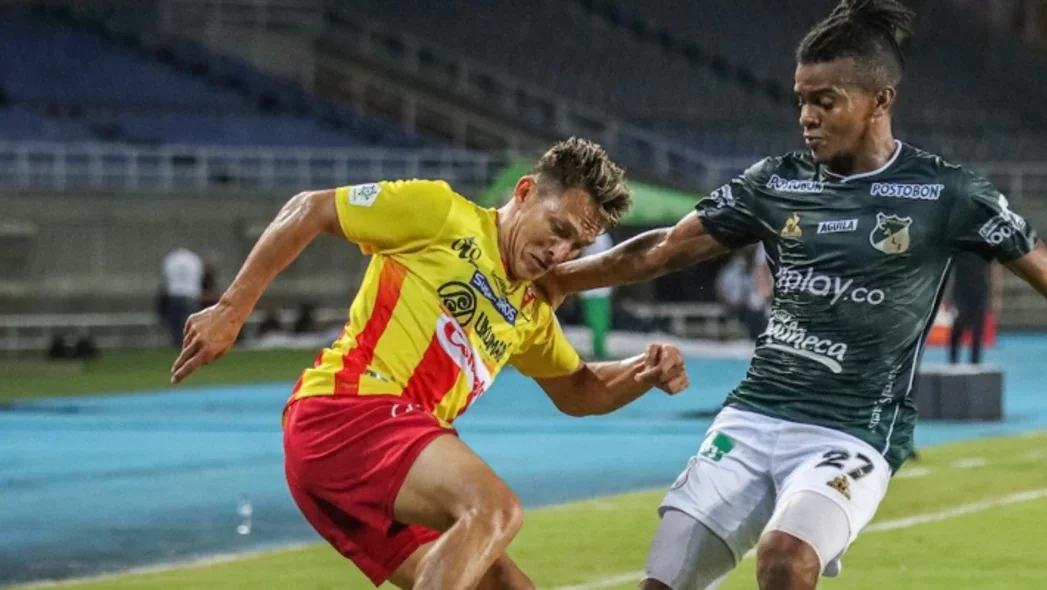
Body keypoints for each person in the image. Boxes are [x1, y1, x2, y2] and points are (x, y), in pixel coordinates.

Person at [545, 2, 1047, 589]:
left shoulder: (946, 192)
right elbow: (663, 248)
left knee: (785, 562)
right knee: (660, 583)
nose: (808, 117)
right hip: (754, 416)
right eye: (801, 101)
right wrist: (554, 279)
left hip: (854, 430)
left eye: (826, 100)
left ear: (880, 99)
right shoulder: (774, 181)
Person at [169, 138, 691, 590]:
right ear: (525, 191)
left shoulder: (527, 309)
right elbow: (310, 208)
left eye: (575, 243)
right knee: (495, 510)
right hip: (345, 411)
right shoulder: (443, 214)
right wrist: (232, 308)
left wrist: (641, 373)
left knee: (509, 586)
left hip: (372, 465)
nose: (560, 251)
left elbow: (580, 391)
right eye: (556, 228)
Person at [948, 251, 995, 365]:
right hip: (961, 290)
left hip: (980, 290)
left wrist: (995, 296)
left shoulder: (985, 244)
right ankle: (953, 359)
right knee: (959, 323)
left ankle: (975, 362)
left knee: (978, 328)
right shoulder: (959, 244)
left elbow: (993, 269)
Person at [578, 231, 615, 359]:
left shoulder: (601, 238)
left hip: (599, 288)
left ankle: (599, 349)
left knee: (600, 322)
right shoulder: (592, 237)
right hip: (592, 287)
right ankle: (597, 348)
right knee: (594, 321)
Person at [159, 247, 203, 347]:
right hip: (190, 295)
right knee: (189, 322)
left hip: (174, 295)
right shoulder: (193, 259)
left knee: (176, 323)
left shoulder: (171, 260)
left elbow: (166, 278)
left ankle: (178, 343)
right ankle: (189, 343)